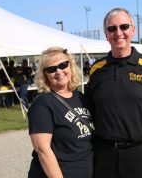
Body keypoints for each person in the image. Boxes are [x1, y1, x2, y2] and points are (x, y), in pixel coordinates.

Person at [85, 8, 142, 178]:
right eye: (112, 28)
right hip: (104, 155)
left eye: (124, 27)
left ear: (133, 30)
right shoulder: (96, 70)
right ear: (106, 34)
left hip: (141, 154)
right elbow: (87, 113)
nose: (118, 33)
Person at [27, 47, 93, 178]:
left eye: (63, 65)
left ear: (70, 67)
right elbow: (42, 149)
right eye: (51, 69)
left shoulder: (80, 97)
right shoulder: (43, 104)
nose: (58, 71)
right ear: (44, 75)